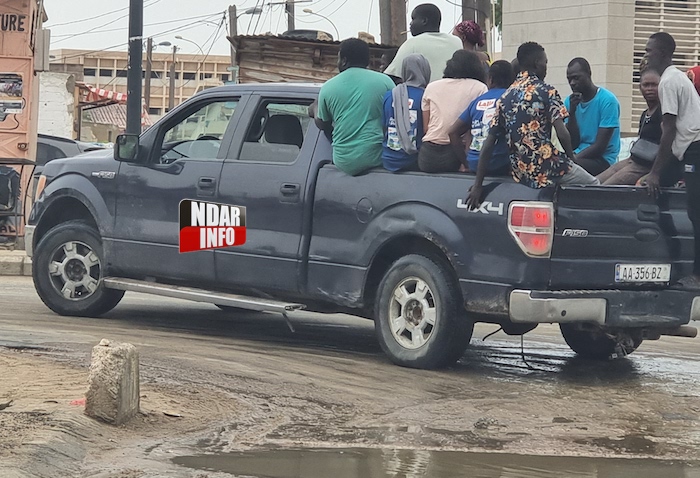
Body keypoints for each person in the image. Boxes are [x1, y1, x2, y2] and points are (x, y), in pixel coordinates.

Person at [466, 42, 599, 210]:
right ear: (537, 63)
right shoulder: (546, 91)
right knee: (595, 185)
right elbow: (562, 133)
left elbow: (488, 144)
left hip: (520, 172)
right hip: (549, 166)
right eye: (545, 62)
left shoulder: (505, 97)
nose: (546, 67)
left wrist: (478, 185)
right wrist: (572, 160)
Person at [643, 32, 700, 289]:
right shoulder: (675, 78)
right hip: (685, 150)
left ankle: (697, 276)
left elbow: (669, 130)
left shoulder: (668, 82)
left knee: (696, 213)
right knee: (657, 189)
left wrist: (654, 172)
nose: (646, 55)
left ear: (664, 54)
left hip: (694, 149)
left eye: (650, 51)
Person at [312, 38, 396, 176]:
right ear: (367, 60)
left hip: (343, 161)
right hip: (378, 159)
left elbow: (322, 123)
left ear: (344, 60)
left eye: (338, 58)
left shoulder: (328, 87)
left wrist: (315, 108)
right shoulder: (386, 82)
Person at [597, 68, 681, 186]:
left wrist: (654, 173)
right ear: (640, 87)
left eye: (654, 85)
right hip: (634, 159)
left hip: (647, 165)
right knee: (596, 182)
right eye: (646, 85)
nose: (650, 89)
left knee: (607, 187)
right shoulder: (645, 114)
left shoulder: (663, 112)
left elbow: (669, 142)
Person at [418, 50, 487, 173]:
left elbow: (426, 128)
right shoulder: (479, 88)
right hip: (458, 155)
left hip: (427, 157)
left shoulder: (432, 87)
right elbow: (477, 129)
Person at [448, 60, 514, 176]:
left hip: (475, 164)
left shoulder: (477, 101)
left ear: (491, 79)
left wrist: (467, 163)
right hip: (499, 165)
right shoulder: (512, 99)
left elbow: (453, 132)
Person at [564, 57, 621, 176]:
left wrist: (573, 160)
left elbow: (600, 147)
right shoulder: (569, 102)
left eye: (576, 78)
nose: (572, 83)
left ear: (589, 74)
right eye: (569, 79)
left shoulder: (607, 101)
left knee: (565, 169)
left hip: (602, 159)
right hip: (577, 156)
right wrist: (572, 113)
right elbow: (573, 143)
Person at [383, 3, 462, 83]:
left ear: (424, 21)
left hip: (426, 94)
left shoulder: (412, 43)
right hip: (456, 93)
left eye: (413, 19)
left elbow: (391, 75)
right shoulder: (456, 41)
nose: (410, 23)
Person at [382, 54, 431, 172]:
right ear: (425, 71)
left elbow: (384, 126)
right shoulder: (426, 97)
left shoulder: (390, 95)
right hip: (413, 161)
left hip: (388, 159)